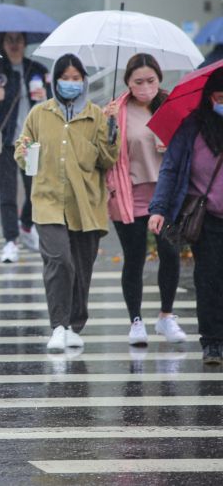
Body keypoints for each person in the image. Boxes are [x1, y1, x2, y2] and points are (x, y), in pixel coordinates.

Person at [14, 53, 119, 351]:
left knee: (82, 269)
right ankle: (58, 325)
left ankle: (74, 325)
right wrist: (24, 152)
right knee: (59, 262)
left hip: (86, 206)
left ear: (84, 81)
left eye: (76, 78)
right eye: (65, 78)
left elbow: (108, 158)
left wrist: (112, 129)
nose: (71, 84)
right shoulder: (39, 114)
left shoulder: (97, 115)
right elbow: (22, 154)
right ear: (55, 81)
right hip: (48, 203)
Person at [106, 53, 186, 345]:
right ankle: (136, 321)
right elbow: (106, 154)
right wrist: (110, 126)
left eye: (151, 80)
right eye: (138, 81)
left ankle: (166, 316)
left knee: (169, 253)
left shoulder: (172, 106)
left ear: (159, 79)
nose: (145, 86)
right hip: (130, 194)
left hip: (166, 195)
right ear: (128, 82)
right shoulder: (117, 110)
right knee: (135, 257)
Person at [149, 67, 223, 364]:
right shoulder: (191, 128)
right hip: (205, 219)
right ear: (209, 98)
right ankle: (213, 342)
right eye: (220, 96)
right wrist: (158, 209)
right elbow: (170, 169)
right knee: (208, 279)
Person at [0, 32, 51, 263]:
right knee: (7, 193)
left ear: (25, 43)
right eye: (10, 40)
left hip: (33, 141)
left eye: (19, 40)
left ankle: (27, 226)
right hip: (6, 142)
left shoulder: (36, 69)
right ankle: (11, 241)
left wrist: (47, 95)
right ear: (2, 43)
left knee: (35, 190)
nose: (15, 44)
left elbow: (54, 101)